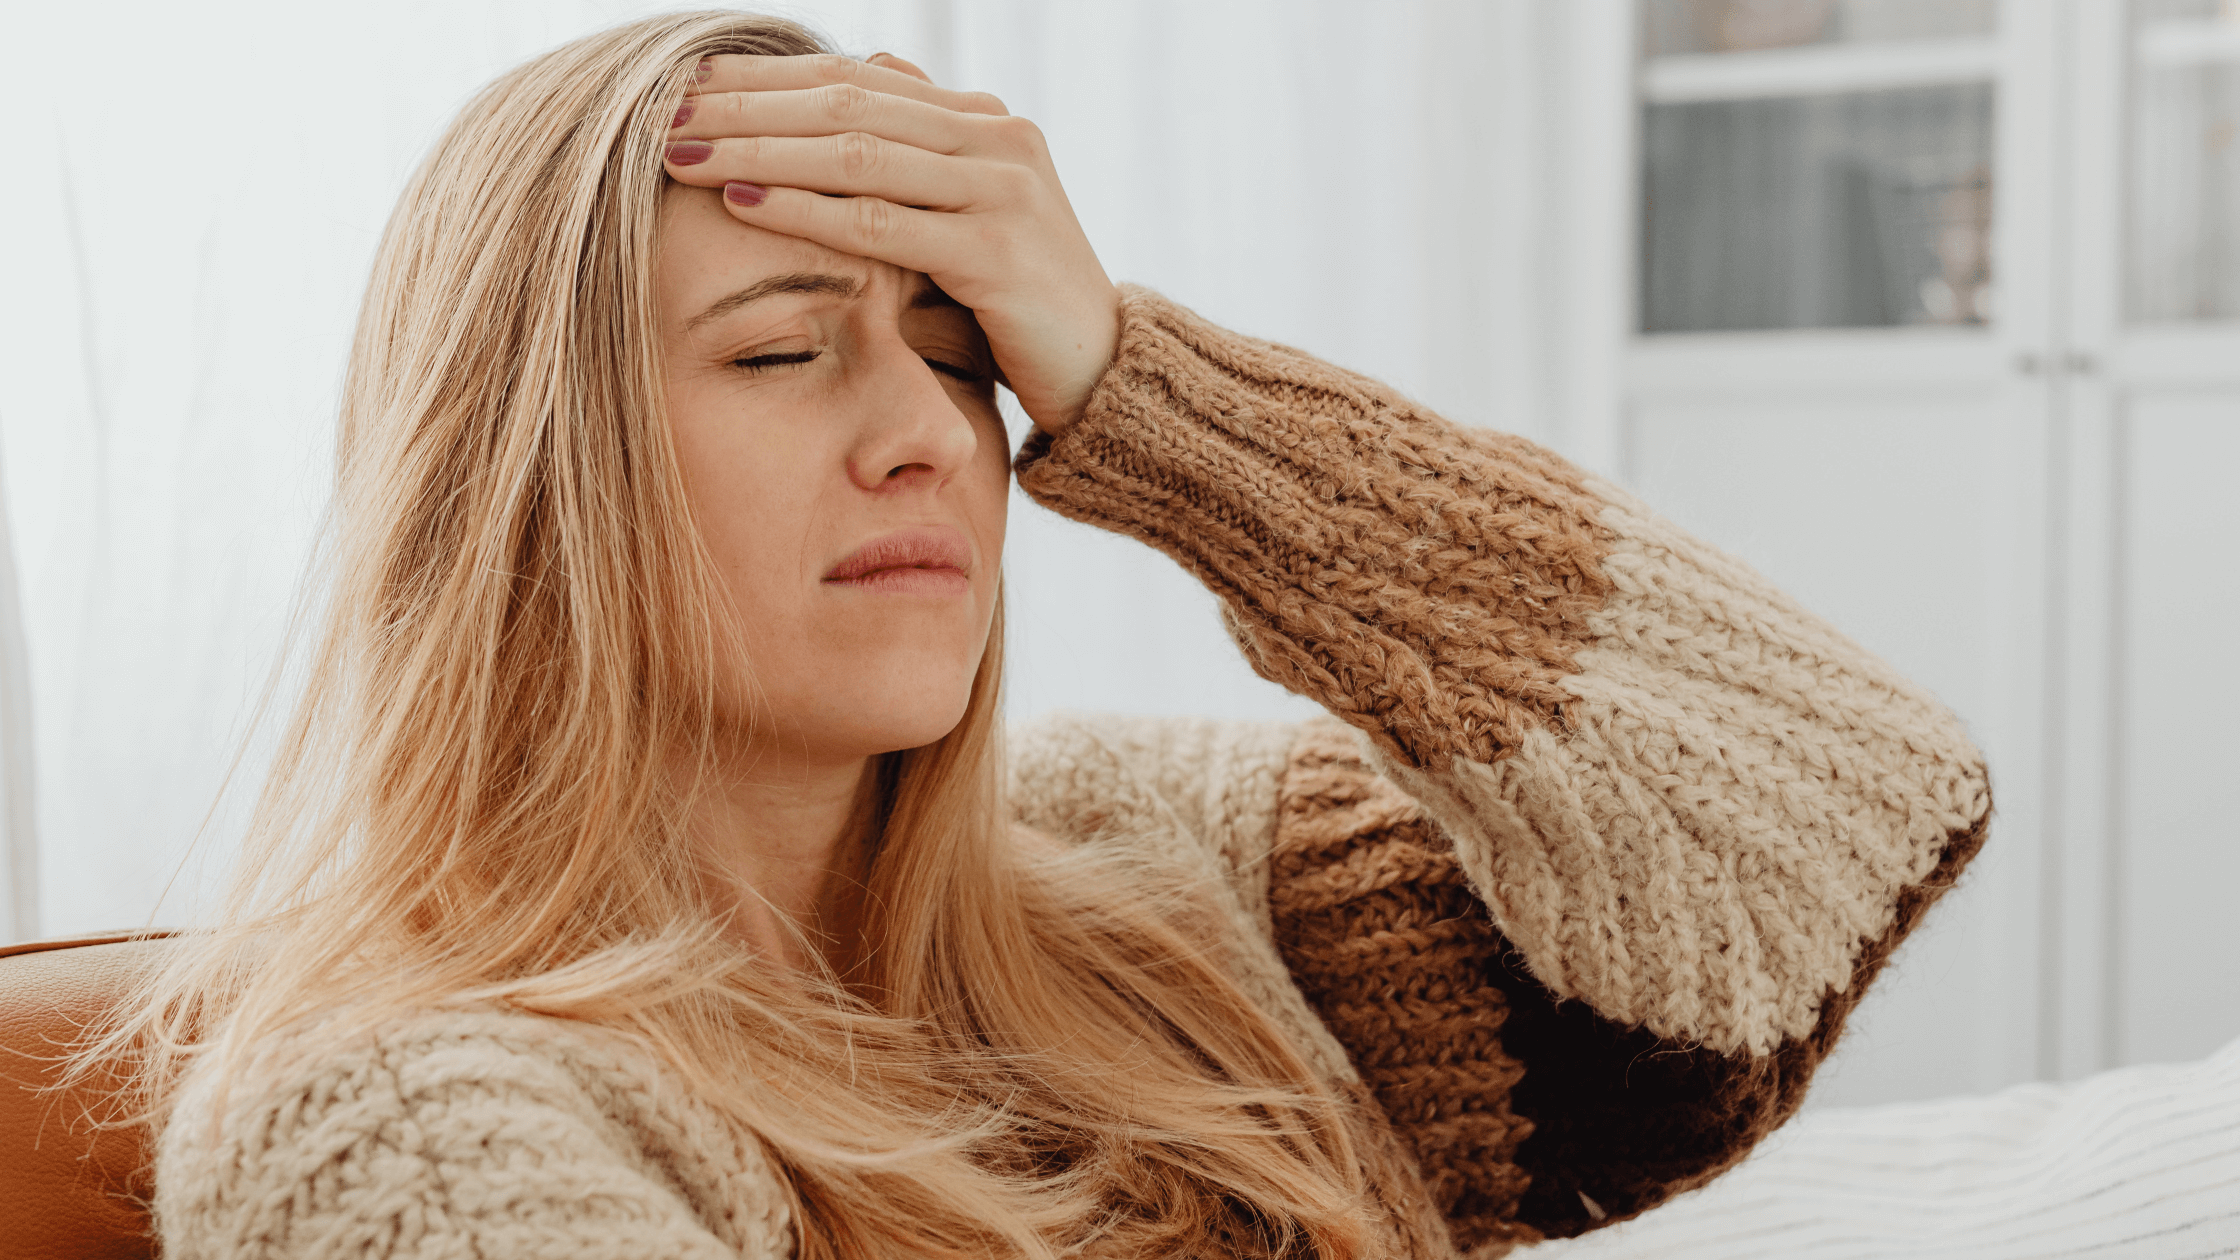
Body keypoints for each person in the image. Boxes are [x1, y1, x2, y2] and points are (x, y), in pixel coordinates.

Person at [93, 10, 1991, 1259]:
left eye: (963, 354)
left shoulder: (1160, 868)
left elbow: (1837, 812)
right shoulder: (402, 1116)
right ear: (514, 478)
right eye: (777, 348)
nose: (934, 431)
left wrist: (1144, 385)